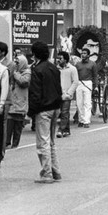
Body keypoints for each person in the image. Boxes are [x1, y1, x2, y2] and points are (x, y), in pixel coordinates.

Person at [28, 41, 63, 184]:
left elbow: (35, 93)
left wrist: (31, 112)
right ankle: (55, 171)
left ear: (35, 54)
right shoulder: (54, 68)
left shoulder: (37, 70)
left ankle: (46, 173)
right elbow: (59, 89)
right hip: (55, 106)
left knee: (43, 142)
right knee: (51, 142)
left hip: (43, 108)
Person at [5, 54, 31, 149]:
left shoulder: (27, 72)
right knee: (8, 124)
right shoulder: (13, 72)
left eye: (17, 62)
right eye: (15, 62)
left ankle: (15, 144)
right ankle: (6, 142)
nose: (15, 64)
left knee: (18, 127)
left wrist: (15, 74)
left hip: (20, 103)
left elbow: (24, 82)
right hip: (12, 102)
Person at [56, 51, 79, 138]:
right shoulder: (56, 69)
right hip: (58, 94)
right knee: (61, 112)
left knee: (64, 112)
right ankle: (66, 130)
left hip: (67, 95)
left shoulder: (72, 69)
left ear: (65, 60)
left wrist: (69, 93)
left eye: (60, 58)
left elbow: (75, 82)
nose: (58, 60)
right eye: (58, 58)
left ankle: (60, 129)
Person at [75, 48, 98, 128]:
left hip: (88, 83)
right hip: (79, 83)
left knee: (87, 103)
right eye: (82, 53)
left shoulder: (93, 64)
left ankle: (86, 121)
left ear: (88, 55)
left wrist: (95, 86)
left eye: (85, 53)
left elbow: (95, 76)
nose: (83, 55)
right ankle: (81, 120)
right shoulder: (77, 64)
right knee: (79, 103)